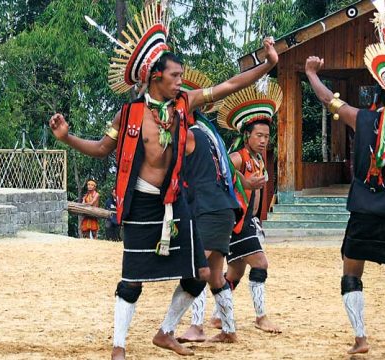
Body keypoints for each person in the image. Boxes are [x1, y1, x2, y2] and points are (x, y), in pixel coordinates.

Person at [50, 3, 278, 358]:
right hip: (141, 203)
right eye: (174, 76)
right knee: (132, 279)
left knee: (199, 272)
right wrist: (66, 137)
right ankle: (119, 346)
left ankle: (165, 331)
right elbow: (100, 148)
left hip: (176, 202)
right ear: (156, 77)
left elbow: (230, 84)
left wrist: (269, 64)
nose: (179, 81)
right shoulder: (129, 115)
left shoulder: (184, 105)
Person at [304, 7, 385, 359]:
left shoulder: (361, 119)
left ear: (377, 95)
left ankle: (361, 339)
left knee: (351, 271)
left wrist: (312, 73)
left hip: (363, 209)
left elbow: (328, 99)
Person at [180, 82, 283, 342]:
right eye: (258, 135)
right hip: (235, 219)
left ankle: (219, 319)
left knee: (231, 272)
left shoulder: (259, 159)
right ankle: (259, 317)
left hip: (246, 220)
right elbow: (224, 168)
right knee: (259, 263)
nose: (263, 140)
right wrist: (245, 184)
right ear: (247, 135)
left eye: (266, 136)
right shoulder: (238, 156)